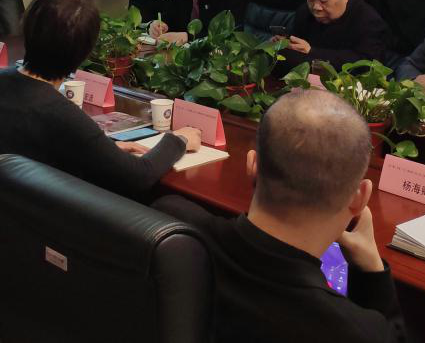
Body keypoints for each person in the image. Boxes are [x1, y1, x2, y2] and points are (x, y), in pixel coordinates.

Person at [0, 0, 202, 263]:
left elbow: (40, 143)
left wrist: (106, 150)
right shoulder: (54, 109)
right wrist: (179, 139)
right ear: (84, 52)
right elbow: (139, 176)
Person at [154, 90, 409, 343]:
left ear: (252, 165)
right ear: (359, 198)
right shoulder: (355, 330)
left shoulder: (169, 222)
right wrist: (372, 271)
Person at [282, 0, 391, 68]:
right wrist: (284, 45)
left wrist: (312, 51)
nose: (316, 7)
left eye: (323, 0)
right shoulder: (304, 12)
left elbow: (367, 64)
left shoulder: (368, 21)